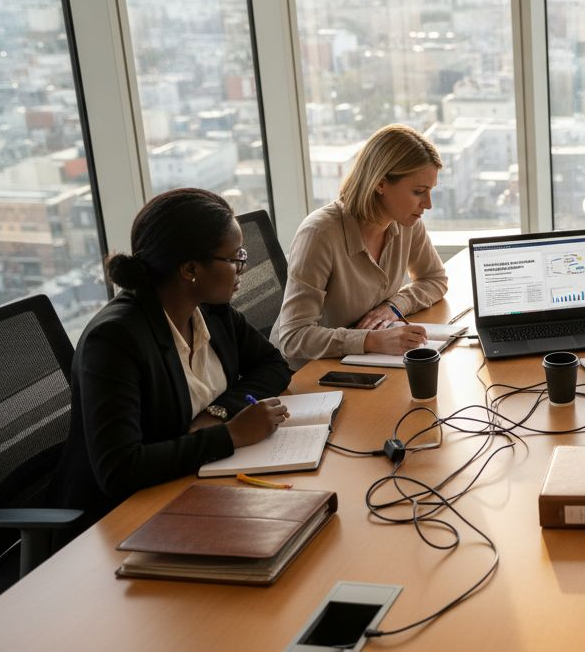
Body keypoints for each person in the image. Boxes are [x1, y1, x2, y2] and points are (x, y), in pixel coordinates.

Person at [47, 188, 292, 531]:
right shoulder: (115, 340)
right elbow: (120, 469)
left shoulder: (210, 310)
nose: (243, 267)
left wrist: (218, 413)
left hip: (200, 485)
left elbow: (273, 364)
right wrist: (230, 436)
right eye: (235, 257)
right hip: (124, 519)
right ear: (191, 269)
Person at [272, 123, 449, 369]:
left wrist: (394, 307)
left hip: (361, 362)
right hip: (308, 373)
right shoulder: (320, 234)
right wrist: (370, 340)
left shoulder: (407, 222)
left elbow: (434, 279)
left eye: (430, 191)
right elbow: (292, 336)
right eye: (419, 191)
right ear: (380, 184)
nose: (427, 204)